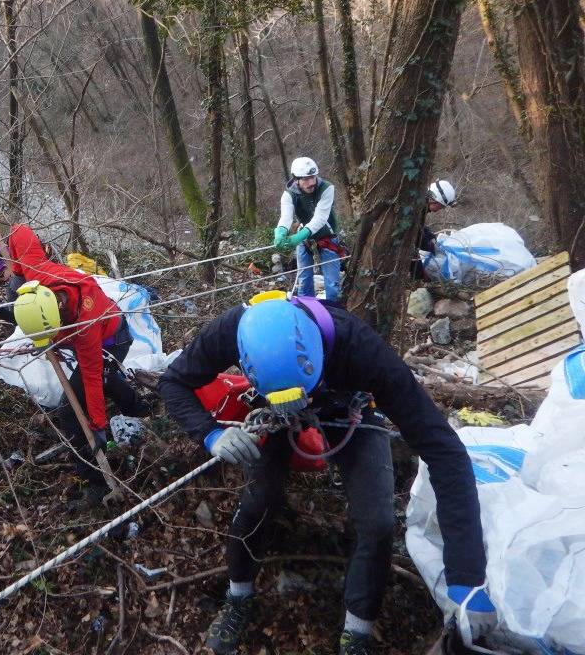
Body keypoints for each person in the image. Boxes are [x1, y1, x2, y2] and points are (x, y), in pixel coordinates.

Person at [158, 293, 496, 655]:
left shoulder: (362, 349)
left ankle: (357, 632)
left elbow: (444, 449)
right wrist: (210, 433)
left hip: (345, 408)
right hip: (272, 410)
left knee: (378, 522)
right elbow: (173, 382)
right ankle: (238, 595)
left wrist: (466, 576)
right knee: (259, 500)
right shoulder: (233, 328)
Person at [9, 229, 150, 501]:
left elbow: (92, 376)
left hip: (111, 338)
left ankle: (93, 481)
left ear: (60, 316)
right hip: (82, 335)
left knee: (69, 408)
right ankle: (138, 408)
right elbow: (19, 231)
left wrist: (97, 424)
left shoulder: (84, 323)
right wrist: (17, 271)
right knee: (102, 381)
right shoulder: (37, 272)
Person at [274, 157, 344, 302]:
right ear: (296, 179)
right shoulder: (289, 194)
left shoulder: (326, 188)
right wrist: (280, 231)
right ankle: (307, 312)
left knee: (332, 284)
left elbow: (320, 218)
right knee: (304, 282)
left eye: (312, 177)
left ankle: (333, 315)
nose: (311, 182)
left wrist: (298, 237)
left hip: (327, 237)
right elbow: (286, 217)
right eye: (305, 179)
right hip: (305, 239)